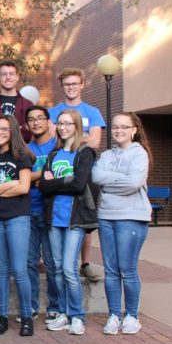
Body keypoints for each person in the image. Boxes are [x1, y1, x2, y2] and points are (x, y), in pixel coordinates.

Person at [39, 109, 99, 336]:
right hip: (55, 219)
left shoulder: (85, 153)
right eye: (60, 123)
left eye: (68, 124)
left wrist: (55, 181)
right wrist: (64, 180)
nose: (63, 127)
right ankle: (63, 313)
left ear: (76, 126)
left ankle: (77, 316)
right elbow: (43, 187)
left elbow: (79, 184)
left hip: (75, 219)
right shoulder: (54, 155)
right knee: (55, 269)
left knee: (69, 269)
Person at [92, 112, 152, 335]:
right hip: (107, 216)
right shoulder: (106, 155)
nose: (119, 131)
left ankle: (132, 316)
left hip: (132, 217)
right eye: (115, 127)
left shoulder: (139, 155)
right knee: (111, 270)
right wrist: (120, 180)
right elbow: (96, 177)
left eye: (124, 127)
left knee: (127, 269)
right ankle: (114, 315)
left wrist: (110, 183)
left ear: (134, 130)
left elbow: (134, 183)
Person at [49, 68, 106, 283]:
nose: (70, 87)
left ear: (82, 85)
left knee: (83, 217)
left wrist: (73, 139)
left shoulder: (92, 112)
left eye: (74, 83)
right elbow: (55, 141)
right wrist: (81, 137)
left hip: (84, 171)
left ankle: (85, 262)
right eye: (66, 84)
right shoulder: (54, 112)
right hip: (61, 169)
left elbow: (96, 142)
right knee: (60, 216)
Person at [0, 115, 35, 336]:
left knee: (20, 269)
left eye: (4, 128)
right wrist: (10, 183)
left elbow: (24, 188)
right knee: (2, 268)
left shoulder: (22, 155)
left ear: (13, 131)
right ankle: (1, 316)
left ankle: (26, 317)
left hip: (17, 218)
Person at [25, 106, 60, 324]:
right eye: (31, 120)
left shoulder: (58, 147)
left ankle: (55, 306)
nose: (36, 123)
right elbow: (22, 178)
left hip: (51, 211)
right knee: (28, 262)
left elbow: (59, 176)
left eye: (40, 118)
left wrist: (35, 179)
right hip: (28, 209)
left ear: (48, 122)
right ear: (27, 125)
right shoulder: (24, 149)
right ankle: (31, 306)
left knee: (51, 262)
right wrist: (42, 177)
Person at [0, 60, 33, 142]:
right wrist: (17, 129)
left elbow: (29, 131)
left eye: (11, 74)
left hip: (21, 151)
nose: (8, 77)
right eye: (4, 74)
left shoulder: (27, 105)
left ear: (17, 77)